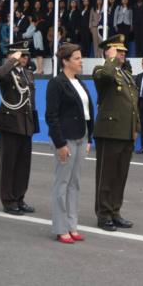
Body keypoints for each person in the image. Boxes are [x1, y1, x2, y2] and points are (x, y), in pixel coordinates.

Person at [45, 43, 94, 244]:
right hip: (66, 139)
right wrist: (60, 143)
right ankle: (60, 227)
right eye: (76, 58)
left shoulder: (79, 82)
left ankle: (72, 225)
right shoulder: (56, 83)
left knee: (75, 183)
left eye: (80, 57)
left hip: (81, 137)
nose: (80, 61)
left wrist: (89, 137)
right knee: (62, 183)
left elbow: (87, 112)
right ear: (65, 61)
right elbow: (51, 116)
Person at [92, 34, 139, 232]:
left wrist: (135, 128)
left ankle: (115, 211)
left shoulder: (125, 74)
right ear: (109, 51)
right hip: (109, 131)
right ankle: (103, 214)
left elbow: (133, 104)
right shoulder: (102, 70)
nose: (123, 55)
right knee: (107, 175)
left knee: (120, 175)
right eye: (119, 51)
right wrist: (110, 58)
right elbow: (106, 75)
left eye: (124, 52)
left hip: (125, 133)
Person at [0, 41, 39, 216]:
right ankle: (8, 200)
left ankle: (19, 197)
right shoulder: (7, 72)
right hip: (10, 123)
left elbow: (31, 100)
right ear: (12, 56)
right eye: (21, 55)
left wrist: (33, 123)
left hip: (26, 123)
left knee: (23, 165)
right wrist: (12, 61)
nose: (25, 58)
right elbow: (0, 75)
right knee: (9, 164)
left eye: (26, 55)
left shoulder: (28, 73)